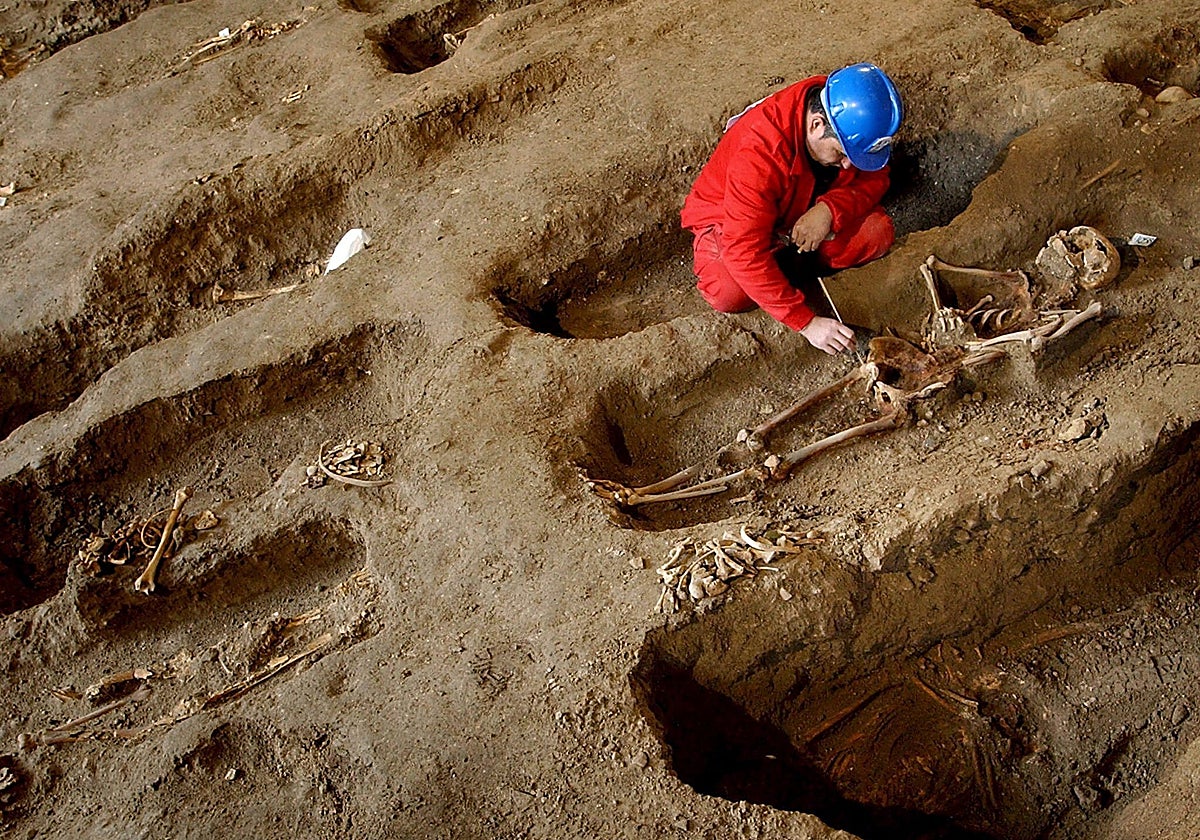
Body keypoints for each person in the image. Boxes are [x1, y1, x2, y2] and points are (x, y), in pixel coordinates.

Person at [681, 62, 903, 355]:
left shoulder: (845, 109)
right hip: (731, 214)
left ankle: (784, 266)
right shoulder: (759, 153)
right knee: (728, 291)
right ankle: (777, 267)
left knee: (875, 234)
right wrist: (807, 323)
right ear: (815, 125)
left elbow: (876, 176)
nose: (849, 165)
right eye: (841, 154)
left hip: (802, 201)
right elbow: (743, 249)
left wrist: (828, 211)